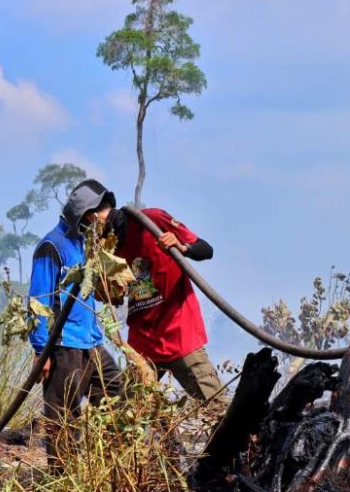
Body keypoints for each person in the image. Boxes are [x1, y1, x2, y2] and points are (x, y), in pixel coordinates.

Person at [28, 179, 125, 468]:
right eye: (98, 213)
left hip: (91, 342)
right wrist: (41, 350)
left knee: (115, 395)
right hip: (63, 346)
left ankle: (114, 467)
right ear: (85, 214)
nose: (100, 220)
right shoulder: (51, 246)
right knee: (63, 417)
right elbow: (38, 299)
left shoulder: (84, 244)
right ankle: (63, 478)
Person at [103, 204, 224, 402]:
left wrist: (182, 247)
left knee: (217, 408)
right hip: (143, 346)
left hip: (180, 336)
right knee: (125, 414)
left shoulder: (152, 219)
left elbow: (205, 250)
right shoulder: (105, 248)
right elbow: (111, 294)